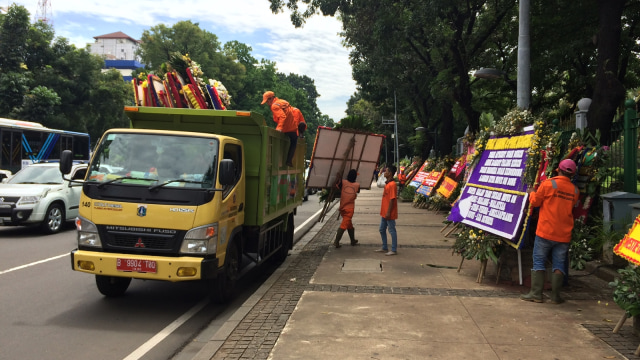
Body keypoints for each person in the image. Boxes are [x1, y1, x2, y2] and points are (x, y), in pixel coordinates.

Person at [521, 159, 579, 304]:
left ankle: (536, 294)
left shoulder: (548, 184)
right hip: (563, 234)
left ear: (558, 169)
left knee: (539, 261)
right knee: (559, 264)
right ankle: (555, 296)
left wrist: (531, 193)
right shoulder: (575, 191)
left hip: (545, 232)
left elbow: (535, 202)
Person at [261, 91, 298, 167]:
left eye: (267, 101)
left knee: (278, 144)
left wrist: (279, 129)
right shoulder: (282, 102)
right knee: (293, 142)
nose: (267, 104)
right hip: (293, 128)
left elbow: (282, 116)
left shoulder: (274, 106)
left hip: (286, 128)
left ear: (271, 98)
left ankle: (276, 161)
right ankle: (289, 161)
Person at [334, 169, 360, 248]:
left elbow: (337, 186)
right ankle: (336, 241)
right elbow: (358, 191)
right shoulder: (357, 185)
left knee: (349, 224)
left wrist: (339, 178)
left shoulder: (343, 182)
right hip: (350, 209)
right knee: (344, 224)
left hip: (342, 208)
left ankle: (352, 240)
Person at [376, 165, 398, 256]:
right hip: (384, 212)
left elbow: (392, 199)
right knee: (381, 229)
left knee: (392, 230)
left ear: (390, 173)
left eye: (386, 171)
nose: (384, 172)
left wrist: (388, 212)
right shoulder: (388, 184)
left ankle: (393, 249)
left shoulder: (392, 185)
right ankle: (384, 247)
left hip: (389, 212)